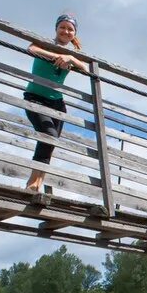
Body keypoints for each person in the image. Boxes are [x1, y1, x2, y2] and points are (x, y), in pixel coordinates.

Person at [23, 13, 88, 192]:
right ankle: (32, 184)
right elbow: (32, 49)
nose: (66, 31)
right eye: (63, 27)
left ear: (74, 33)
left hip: (57, 104)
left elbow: (88, 68)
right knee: (48, 135)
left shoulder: (72, 55)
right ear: (56, 28)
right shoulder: (46, 43)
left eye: (70, 29)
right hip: (35, 97)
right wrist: (55, 56)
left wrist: (71, 59)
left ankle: (37, 184)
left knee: (51, 142)